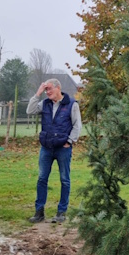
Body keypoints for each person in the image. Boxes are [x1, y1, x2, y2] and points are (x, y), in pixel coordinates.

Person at [27, 78, 82, 224]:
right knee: (42, 179)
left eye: (50, 89)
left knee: (64, 179)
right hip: (46, 148)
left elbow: (77, 125)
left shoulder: (71, 104)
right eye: (46, 90)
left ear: (58, 88)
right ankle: (39, 212)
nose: (48, 92)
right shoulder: (44, 104)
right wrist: (38, 93)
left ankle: (61, 212)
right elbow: (30, 110)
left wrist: (69, 142)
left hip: (62, 149)